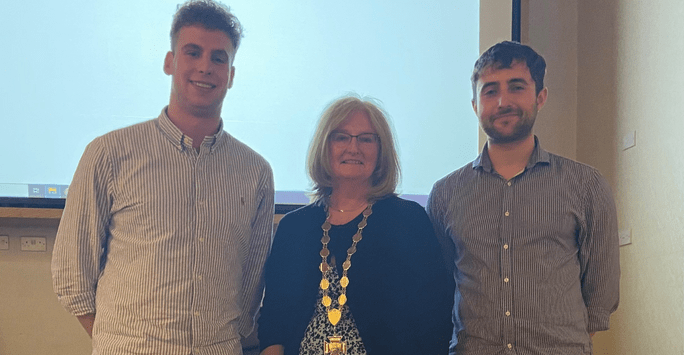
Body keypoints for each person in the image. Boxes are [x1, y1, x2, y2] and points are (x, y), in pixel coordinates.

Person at [51, 1, 274, 354]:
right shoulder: (109, 154)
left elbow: (250, 285)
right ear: (170, 62)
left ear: (231, 74)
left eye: (219, 58)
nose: (205, 67)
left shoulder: (256, 172)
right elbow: (72, 273)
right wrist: (118, 341)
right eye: (193, 52)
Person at [427, 41, 620, 355]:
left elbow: (600, 293)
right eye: (490, 91)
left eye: (516, 87)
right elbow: (443, 286)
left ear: (540, 97)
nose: (503, 101)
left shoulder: (586, 185)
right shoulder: (445, 194)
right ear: (475, 105)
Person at [258, 96, 453, 355]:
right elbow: (274, 320)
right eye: (341, 137)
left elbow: (434, 318)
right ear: (324, 146)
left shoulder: (409, 222)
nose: (354, 147)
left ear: (381, 150)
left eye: (366, 138)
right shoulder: (293, 227)